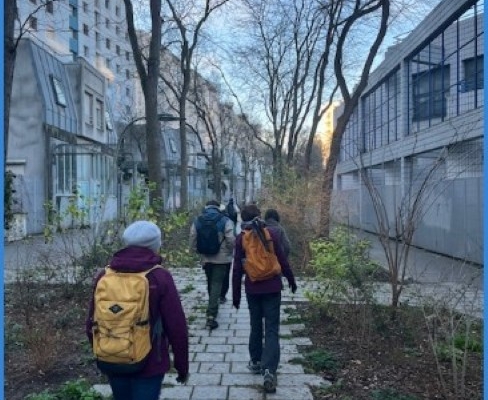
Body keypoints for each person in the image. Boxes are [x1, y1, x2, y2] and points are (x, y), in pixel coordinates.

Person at [86, 220, 189, 400]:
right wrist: (182, 366)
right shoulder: (159, 277)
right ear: (156, 245)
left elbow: (91, 323)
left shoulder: (104, 275)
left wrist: (105, 350)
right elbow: (176, 327)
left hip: (113, 358)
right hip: (150, 362)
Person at [232, 204, 297, 394]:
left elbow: (237, 269)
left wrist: (236, 296)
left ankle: (255, 361)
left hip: (253, 288)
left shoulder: (241, 238)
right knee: (272, 329)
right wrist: (291, 280)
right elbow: (282, 260)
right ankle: (269, 370)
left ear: (243, 219)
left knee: (255, 325)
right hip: (272, 288)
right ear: (259, 216)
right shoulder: (272, 234)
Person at [190, 200, 235, 329]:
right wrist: (229, 251)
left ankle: (212, 303)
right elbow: (231, 239)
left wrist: (195, 250)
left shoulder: (198, 220)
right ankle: (211, 315)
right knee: (216, 284)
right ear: (218, 207)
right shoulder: (225, 220)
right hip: (221, 259)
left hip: (206, 258)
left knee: (210, 282)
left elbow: (193, 236)